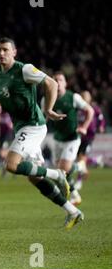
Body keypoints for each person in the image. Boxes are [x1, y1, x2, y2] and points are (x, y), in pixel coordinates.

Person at [0, 37, 84, 230]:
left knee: (11, 164)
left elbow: (51, 83)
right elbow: (6, 102)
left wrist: (48, 109)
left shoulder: (24, 69)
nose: (2, 53)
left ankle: (57, 174)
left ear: (14, 52)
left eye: (6, 50)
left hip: (33, 125)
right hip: (21, 129)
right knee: (35, 178)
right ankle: (72, 211)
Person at [42, 72, 94, 206]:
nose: (58, 82)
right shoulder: (46, 99)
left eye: (60, 80)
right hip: (57, 138)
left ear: (65, 83)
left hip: (72, 138)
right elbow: (43, 119)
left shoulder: (73, 97)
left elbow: (90, 111)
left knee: (63, 170)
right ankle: (75, 194)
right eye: (55, 80)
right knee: (60, 175)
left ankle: (79, 165)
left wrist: (84, 127)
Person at [73, 90, 106, 199]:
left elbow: (101, 118)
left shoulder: (94, 108)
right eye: (83, 96)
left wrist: (101, 126)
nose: (84, 98)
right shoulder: (78, 109)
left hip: (89, 136)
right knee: (79, 159)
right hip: (79, 136)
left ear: (90, 98)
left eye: (86, 96)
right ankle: (96, 160)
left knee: (82, 159)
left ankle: (79, 181)